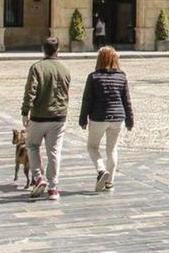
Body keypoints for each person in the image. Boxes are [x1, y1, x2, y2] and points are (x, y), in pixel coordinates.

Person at [21, 37, 71, 201]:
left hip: (39, 115)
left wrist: (25, 112)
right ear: (58, 50)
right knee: (54, 152)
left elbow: (30, 91)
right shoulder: (65, 68)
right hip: (58, 117)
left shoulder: (37, 67)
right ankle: (53, 188)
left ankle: (38, 177)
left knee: (32, 145)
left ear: (43, 49)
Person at [78, 46, 134, 192]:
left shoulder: (94, 77)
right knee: (112, 149)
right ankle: (110, 182)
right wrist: (130, 120)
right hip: (118, 118)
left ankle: (101, 170)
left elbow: (87, 100)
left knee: (92, 147)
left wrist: (83, 119)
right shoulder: (122, 76)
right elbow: (127, 100)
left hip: (99, 117)